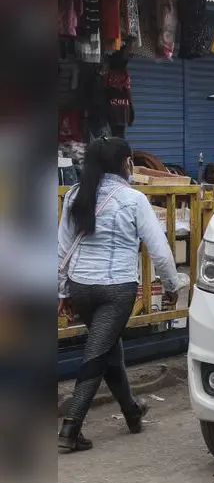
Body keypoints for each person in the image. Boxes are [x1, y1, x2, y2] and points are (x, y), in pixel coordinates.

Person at [57, 137, 180, 453]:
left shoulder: (74, 195)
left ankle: (132, 412)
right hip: (117, 290)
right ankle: (70, 429)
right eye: (130, 162)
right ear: (124, 163)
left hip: (80, 286)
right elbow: (161, 253)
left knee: (109, 350)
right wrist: (171, 287)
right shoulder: (133, 199)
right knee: (97, 353)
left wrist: (61, 291)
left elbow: (60, 249)